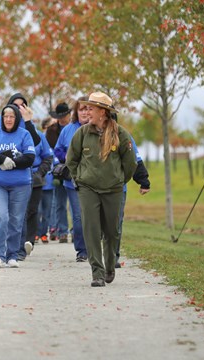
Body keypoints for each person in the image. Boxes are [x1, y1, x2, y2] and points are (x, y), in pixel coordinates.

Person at [66, 92, 136, 287]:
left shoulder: (120, 134)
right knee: (91, 229)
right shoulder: (81, 133)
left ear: (103, 112)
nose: (87, 112)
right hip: (88, 188)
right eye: (86, 108)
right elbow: (71, 160)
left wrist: (120, 179)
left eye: (91, 108)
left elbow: (130, 163)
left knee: (112, 231)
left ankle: (110, 266)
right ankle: (97, 272)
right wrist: (78, 179)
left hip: (113, 189)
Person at [0, 104, 35, 268]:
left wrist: (13, 163)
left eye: (12, 116)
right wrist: (1, 160)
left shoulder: (25, 135)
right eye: (6, 116)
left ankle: (12, 255)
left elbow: (30, 158)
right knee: (1, 216)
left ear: (17, 118)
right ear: (2, 118)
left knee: (16, 220)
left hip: (21, 185)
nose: (9, 119)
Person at [54, 97, 90, 262]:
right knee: (78, 216)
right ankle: (82, 250)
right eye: (81, 109)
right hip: (73, 180)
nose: (85, 112)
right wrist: (68, 158)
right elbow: (58, 150)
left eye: (88, 109)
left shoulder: (99, 128)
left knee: (93, 215)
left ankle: (95, 248)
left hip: (95, 180)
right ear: (76, 112)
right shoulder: (68, 130)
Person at [115, 123, 151, 268]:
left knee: (115, 223)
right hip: (93, 188)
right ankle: (96, 256)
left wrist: (143, 181)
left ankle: (112, 256)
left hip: (117, 187)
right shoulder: (85, 134)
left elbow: (134, 159)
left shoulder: (123, 135)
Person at [18, 127, 52, 260]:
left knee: (32, 210)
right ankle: (17, 242)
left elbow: (48, 157)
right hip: (16, 177)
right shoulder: (8, 134)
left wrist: (39, 173)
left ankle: (29, 241)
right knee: (18, 210)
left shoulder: (38, 135)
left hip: (35, 178)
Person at [46, 102, 72, 243]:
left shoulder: (75, 128)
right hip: (58, 170)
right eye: (59, 116)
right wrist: (60, 158)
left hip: (73, 168)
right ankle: (62, 230)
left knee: (75, 203)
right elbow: (50, 150)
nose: (62, 119)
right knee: (60, 202)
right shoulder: (51, 130)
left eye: (64, 116)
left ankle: (75, 230)